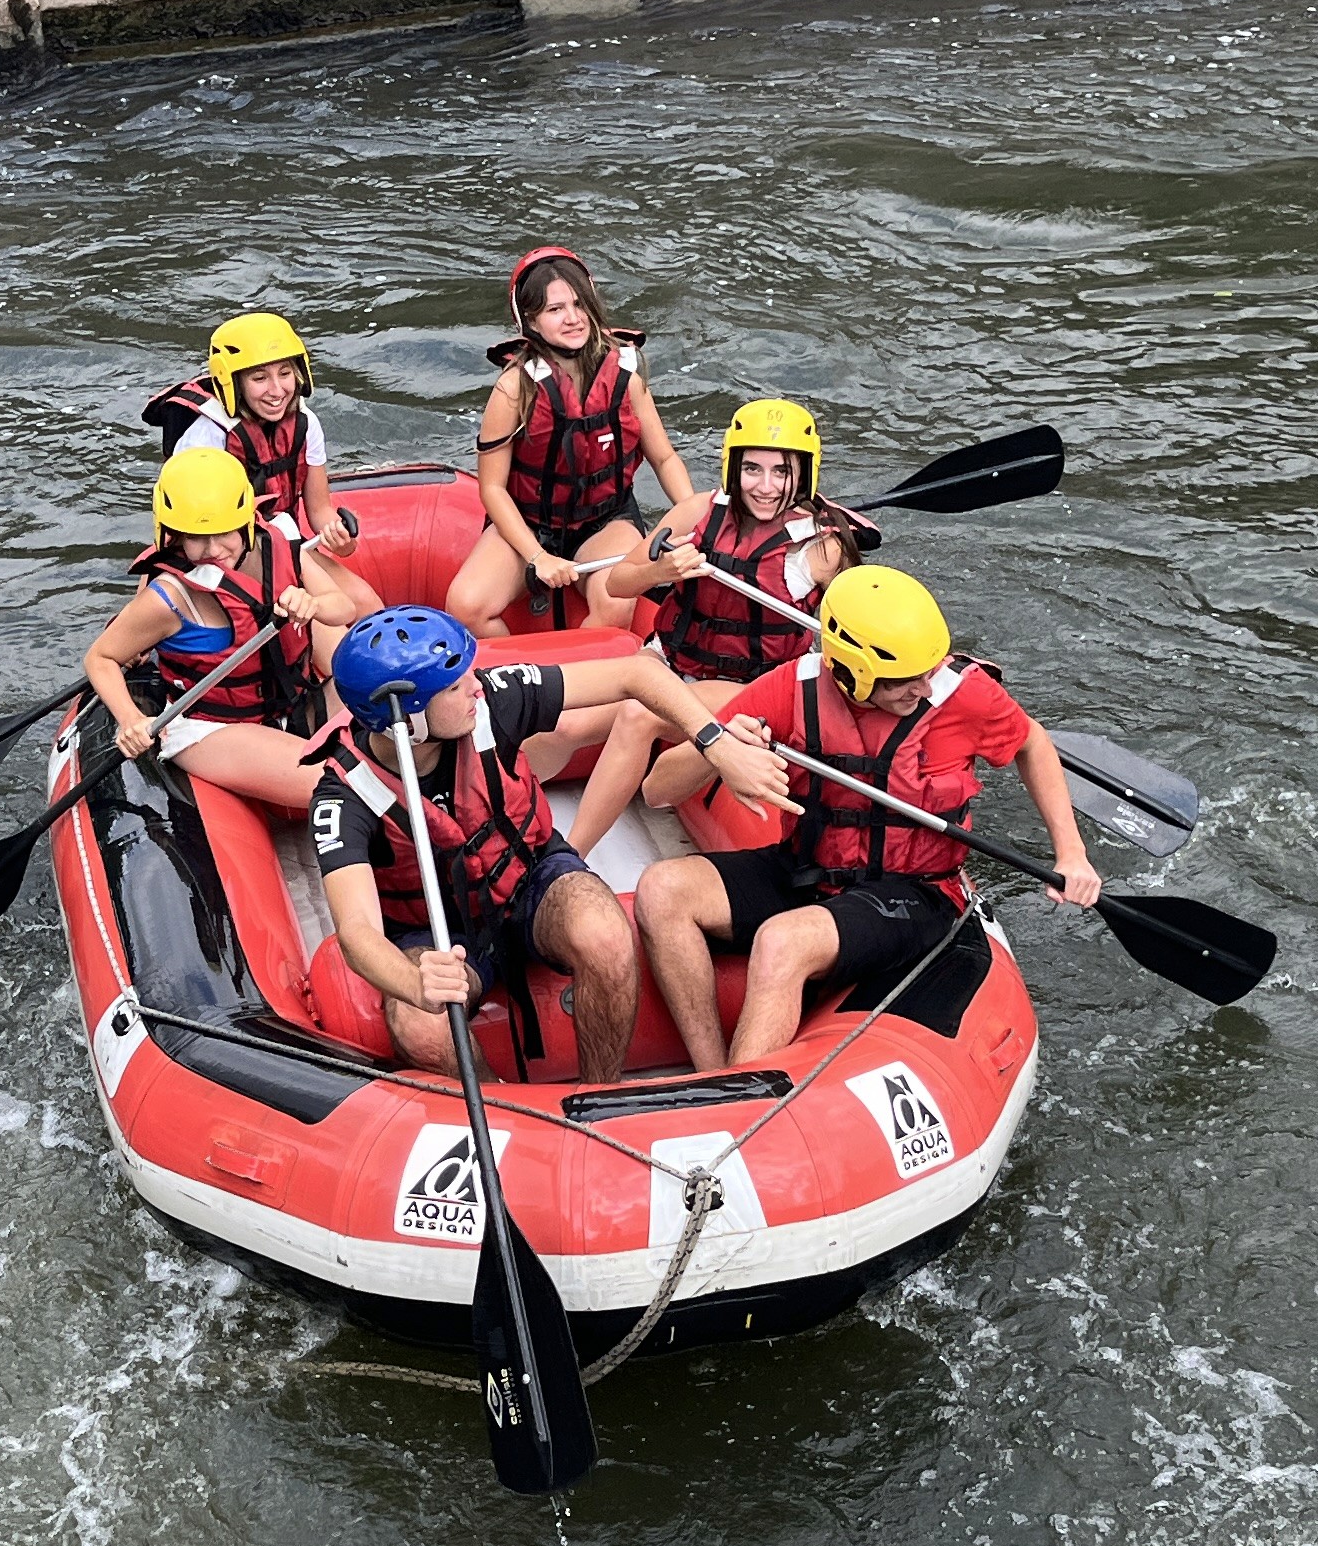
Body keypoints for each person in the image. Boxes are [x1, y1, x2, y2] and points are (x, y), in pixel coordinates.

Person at [633, 564, 1098, 1071]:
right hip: (808, 870)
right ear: (851, 671)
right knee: (662, 889)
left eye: (928, 670)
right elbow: (658, 790)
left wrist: (1070, 852)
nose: (923, 687)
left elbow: (1031, 742)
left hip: (915, 893)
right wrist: (719, 747)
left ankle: (735, 1104)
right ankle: (712, 1075)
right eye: (905, 680)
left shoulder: (960, 694)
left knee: (782, 941)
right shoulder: (792, 687)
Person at [310, 606, 789, 1085]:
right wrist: (414, 982)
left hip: (531, 879)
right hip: (435, 932)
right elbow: (357, 932)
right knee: (421, 1026)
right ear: (407, 719)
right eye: (455, 687)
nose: (475, 687)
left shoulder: (494, 699)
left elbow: (637, 672)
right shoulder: (344, 797)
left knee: (604, 931)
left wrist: (716, 742)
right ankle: (509, 1121)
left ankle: (601, 1094)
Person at [563, 396, 879, 856]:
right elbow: (618, 583)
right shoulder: (697, 512)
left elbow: (864, 629)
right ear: (733, 468)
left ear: (805, 474)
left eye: (782, 471)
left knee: (638, 714)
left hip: (751, 686)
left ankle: (567, 859)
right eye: (753, 469)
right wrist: (662, 571)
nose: (766, 486)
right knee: (566, 730)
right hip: (670, 661)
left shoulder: (822, 548)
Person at [445, 246, 699, 642]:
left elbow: (664, 458)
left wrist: (691, 518)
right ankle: (518, 680)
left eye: (579, 304)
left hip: (605, 521)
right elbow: (492, 489)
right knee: (466, 606)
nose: (573, 318)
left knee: (615, 601)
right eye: (555, 310)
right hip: (532, 523)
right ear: (529, 320)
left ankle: (574, 685)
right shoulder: (514, 389)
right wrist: (537, 556)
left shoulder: (625, 375)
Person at [77, 450, 337, 820]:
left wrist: (313, 603)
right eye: (197, 537)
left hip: (289, 704)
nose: (213, 550)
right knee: (335, 784)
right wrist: (130, 718)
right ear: (173, 534)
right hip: (211, 726)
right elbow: (99, 658)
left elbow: (345, 608)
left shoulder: (275, 546)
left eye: (224, 532)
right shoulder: (166, 598)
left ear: (246, 521)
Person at [143, 309, 382, 624]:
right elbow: (173, 534)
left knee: (365, 603)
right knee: (319, 629)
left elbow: (320, 511)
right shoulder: (206, 439)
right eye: (259, 378)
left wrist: (343, 541)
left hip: (284, 545)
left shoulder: (306, 424)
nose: (277, 390)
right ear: (233, 382)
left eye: (285, 373)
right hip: (226, 555)